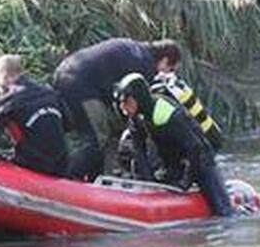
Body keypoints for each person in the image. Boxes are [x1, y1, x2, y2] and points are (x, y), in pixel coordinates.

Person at [52, 38, 181, 180]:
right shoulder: (146, 66)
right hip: (82, 84)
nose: (166, 74)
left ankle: (93, 179)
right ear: (164, 60)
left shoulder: (136, 49)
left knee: (70, 128)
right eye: (170, 69)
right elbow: (137, 107)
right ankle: (65, 178)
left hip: (65, 72)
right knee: (97, 139)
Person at [114, 72, 233, 217]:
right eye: (121, 102)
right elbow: (139, 151)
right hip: (172, 163)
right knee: (137, 163)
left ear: (139, 98)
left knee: (224, 213)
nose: (122, 107)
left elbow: (195, 148)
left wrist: (186, 182)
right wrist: (148, 183)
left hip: (199, 160)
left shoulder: (168, 114)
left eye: (126, 101)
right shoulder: (137, 116)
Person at [0, 54, 69, 177]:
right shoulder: (50, 93)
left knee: (1, 154)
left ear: (4, 77)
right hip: (63, 165)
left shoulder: (6, 102)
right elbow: (69, 124)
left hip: (36, 165)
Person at [148, 42, 224, 150]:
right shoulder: (178, 84)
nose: (170, 73)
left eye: (172, 70)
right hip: (211, 136)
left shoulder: (165, 88)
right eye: (172, 69)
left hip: (203, 141)